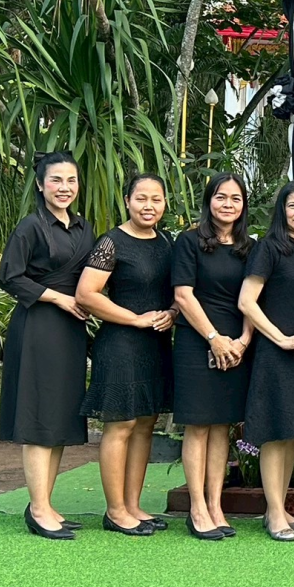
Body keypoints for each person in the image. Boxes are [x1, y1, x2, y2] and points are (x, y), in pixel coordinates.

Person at [0, 152, 95, 540]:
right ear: (40, 184)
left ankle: (47, 503)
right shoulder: (30, 227)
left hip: (71, 331)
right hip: (38, 326)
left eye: (71, 180)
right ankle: (38, 509)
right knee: (40, 417)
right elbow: (10, 276)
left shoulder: (84, 229)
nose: (64, 188)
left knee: (59, 416)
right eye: (56, 180)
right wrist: (56, 298)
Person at [76, 174, 176, 537]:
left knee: (146, 424)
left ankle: (133, 505)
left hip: (156, 344)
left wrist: (172, 314)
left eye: (157, 199)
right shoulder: (111, 243)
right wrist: (135, 319)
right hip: (120, 344)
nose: (149, 206)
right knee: (121, 425)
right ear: (127, 200)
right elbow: (87, 294)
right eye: (142, 199)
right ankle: (115, 510)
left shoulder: (166, 241)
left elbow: (174, 292)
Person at [237, 180, 294, 543]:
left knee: (291, 433)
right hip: (276, 352)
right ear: (281, 210)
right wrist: (283, 339)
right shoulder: (268, 248)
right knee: (274, 434)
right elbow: (247, 302)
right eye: (293, 206)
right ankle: (273, 513)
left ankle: (283, 506)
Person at [172, 172, 255, 541]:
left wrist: (242, 341)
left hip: (236, 344)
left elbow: (256, 299)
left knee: (222, 426)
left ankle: (216, 504)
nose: (228, 205)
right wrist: (214, 338)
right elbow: (183, 296)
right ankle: (197, 507)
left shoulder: (250, 247)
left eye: (236, 199)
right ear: (209, 201)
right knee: (199, 424)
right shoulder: (189, 242)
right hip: (197, 342)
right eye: (221, 197)